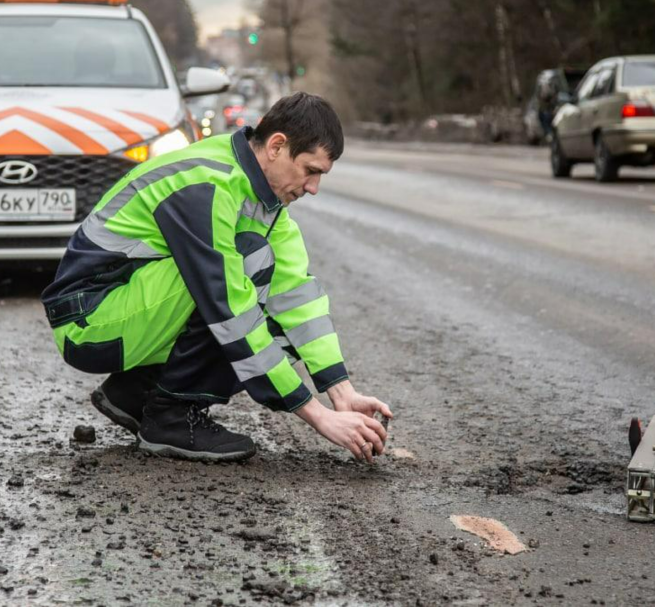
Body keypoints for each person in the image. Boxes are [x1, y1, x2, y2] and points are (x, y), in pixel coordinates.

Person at [41, 92, 393, 462]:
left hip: (128, 312)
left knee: (273, 307)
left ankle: (135, 395)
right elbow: (229, 309)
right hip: (89, 322)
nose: (313, 187)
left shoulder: (261, 197)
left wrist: (341, 392)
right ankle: (170, 418)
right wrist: (316, 415)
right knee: (242, 272)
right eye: (311, 170)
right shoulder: (205, 183)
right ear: (277, 146)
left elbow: (296, 295)